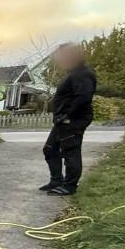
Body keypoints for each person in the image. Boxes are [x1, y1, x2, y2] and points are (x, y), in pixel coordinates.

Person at [40, 43, 97, 195]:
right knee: (50, 149)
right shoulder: (72, 74)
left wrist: (67, 116)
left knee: (71, 152)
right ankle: (56, 180)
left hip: (72, 120)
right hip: (61, 120)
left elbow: (83, 98)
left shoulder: (83, 74)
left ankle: (70, 185)